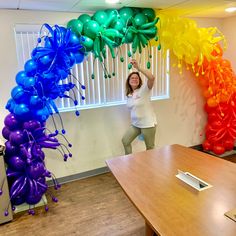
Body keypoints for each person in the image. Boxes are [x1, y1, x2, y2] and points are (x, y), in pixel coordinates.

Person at [122, 59, 157, 155]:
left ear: (139, 81)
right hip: (136, 124)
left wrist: (138, 68)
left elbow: (152, 78)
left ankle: (151, 168)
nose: (134, 79)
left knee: (150, 148)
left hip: (147, 124)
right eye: (132, 78)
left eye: (136, 78)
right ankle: (129, 162)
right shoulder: (129, 94)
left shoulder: (144, 89)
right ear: (128, 81)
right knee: (125, 141)